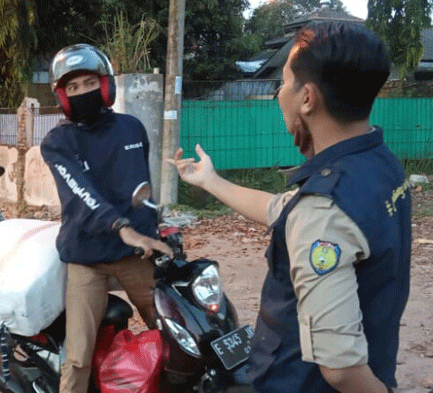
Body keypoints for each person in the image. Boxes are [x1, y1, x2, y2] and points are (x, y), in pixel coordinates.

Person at [168, 22, 411, 393]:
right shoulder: (380, 164)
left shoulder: (324, 210)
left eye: (283, 83)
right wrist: (210, 181)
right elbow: (285, 210)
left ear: (308, 98)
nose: (279, 94)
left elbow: (341, 369)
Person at [40, 44, 173, 393]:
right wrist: (122, 227)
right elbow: (81, 194)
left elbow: (140, 186)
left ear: (105, 85)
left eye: (88, 82)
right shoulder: (57, 142)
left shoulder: (132, 129)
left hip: (134, 255)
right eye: (72, 88)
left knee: (175, 334)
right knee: (79, 356)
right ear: (62, 96)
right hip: (87, 258)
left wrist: (153, 230)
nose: (82, 92)